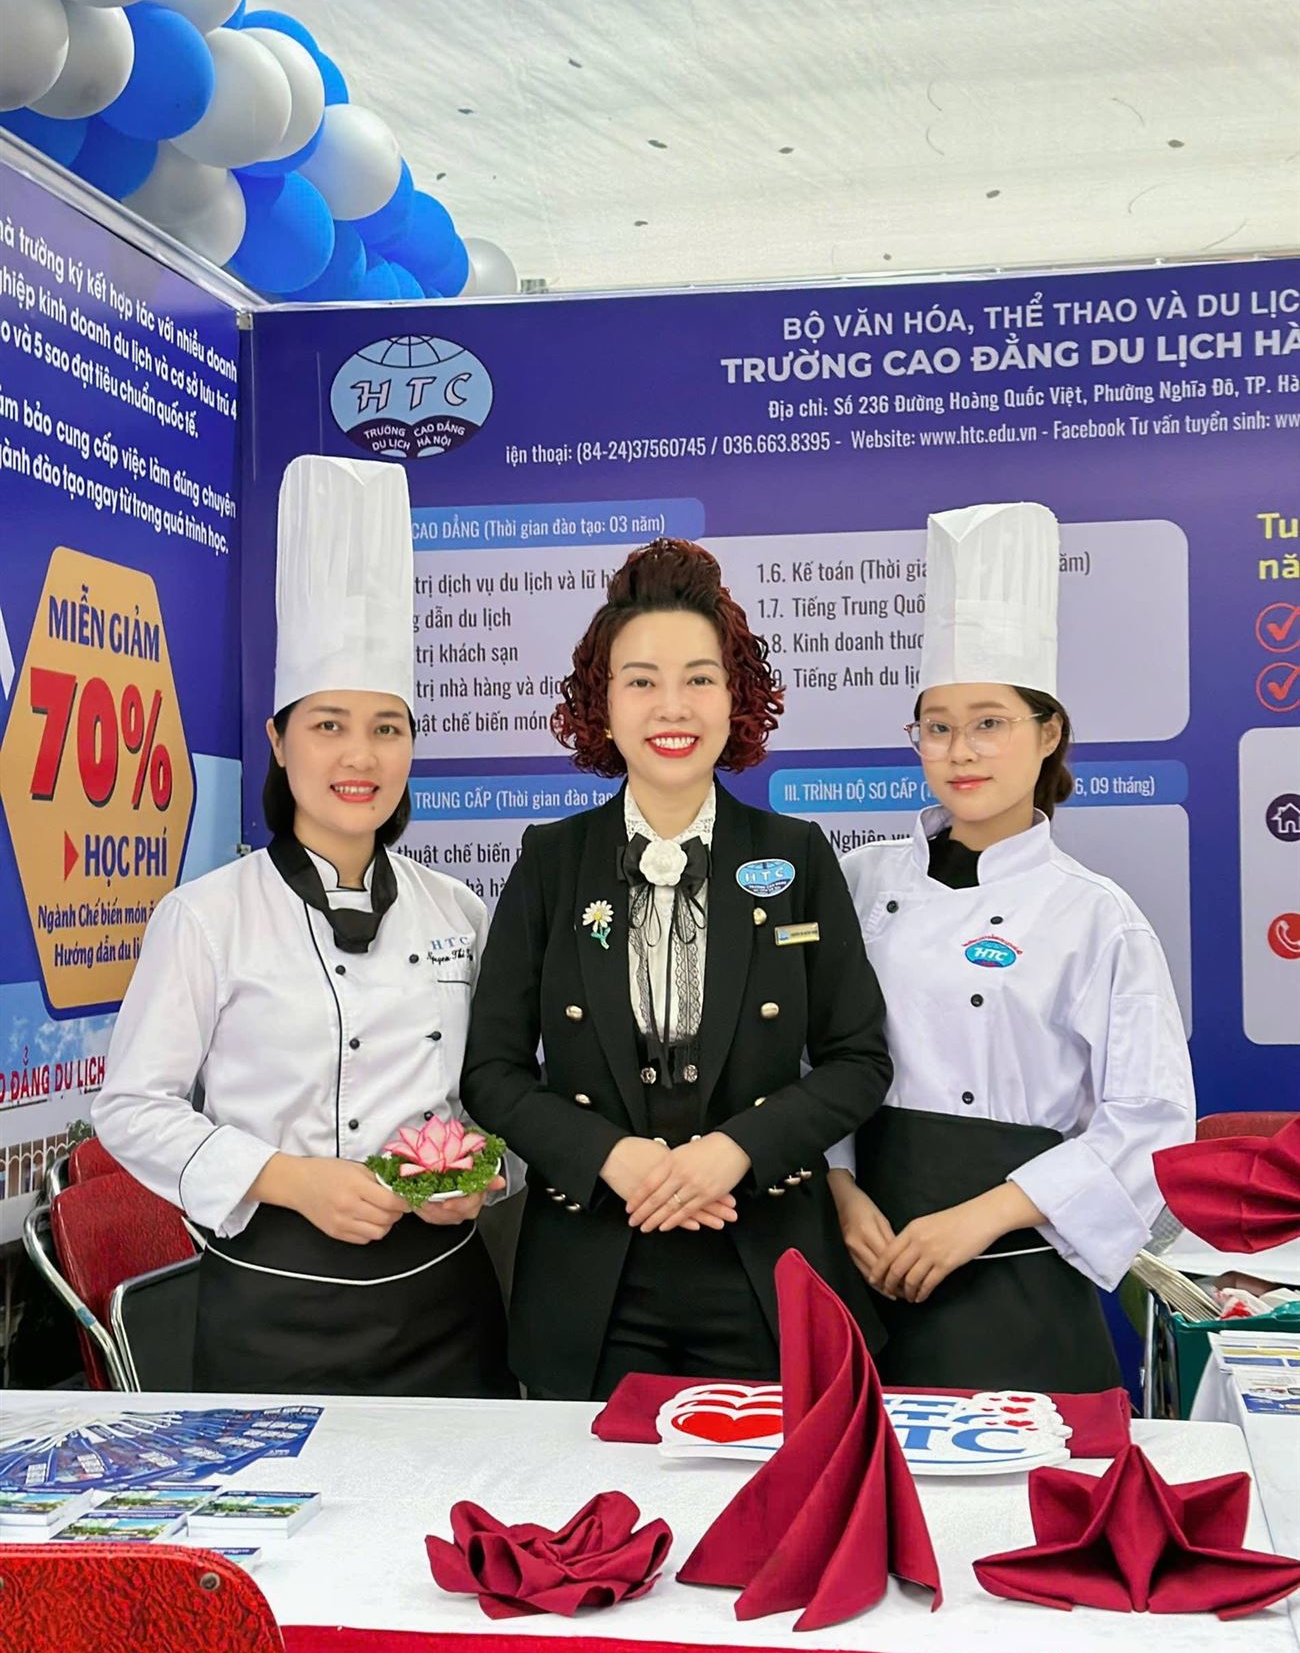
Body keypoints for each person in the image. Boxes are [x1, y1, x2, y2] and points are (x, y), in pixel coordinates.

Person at [93, 455, 512, 1396]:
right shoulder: (205, 916)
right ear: (279, 741)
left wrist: (480, 1176)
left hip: (446, 1304)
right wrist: (287, 1177)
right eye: (328, 725)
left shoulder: (460, 910)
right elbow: (131, 1107)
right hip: (269, 1305)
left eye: (387, 727)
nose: (360, 755)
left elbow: (496, 1095)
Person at [462, 538, 892, 1400]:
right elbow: (492, 1072)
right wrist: (610, 1155)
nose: (673, 706)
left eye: (700, 678)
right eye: (641, 680)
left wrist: (736, 1149)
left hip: (766, 1262)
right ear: (603, 705)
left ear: (737, 699)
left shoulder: (798, 853)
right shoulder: (551, 860)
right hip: (592, 1270)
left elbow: (858, 1059)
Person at [829, 501, 1195, 1392]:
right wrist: (837, 1193)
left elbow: (1151, 1122)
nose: (960, 751)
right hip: (860, 1265)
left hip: (1016, 1274)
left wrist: (982, 1216)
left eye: (989, 721)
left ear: (1048, 730)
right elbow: (804, 1058)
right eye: (937, 724)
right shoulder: (856, 880)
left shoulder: (1096, 917)